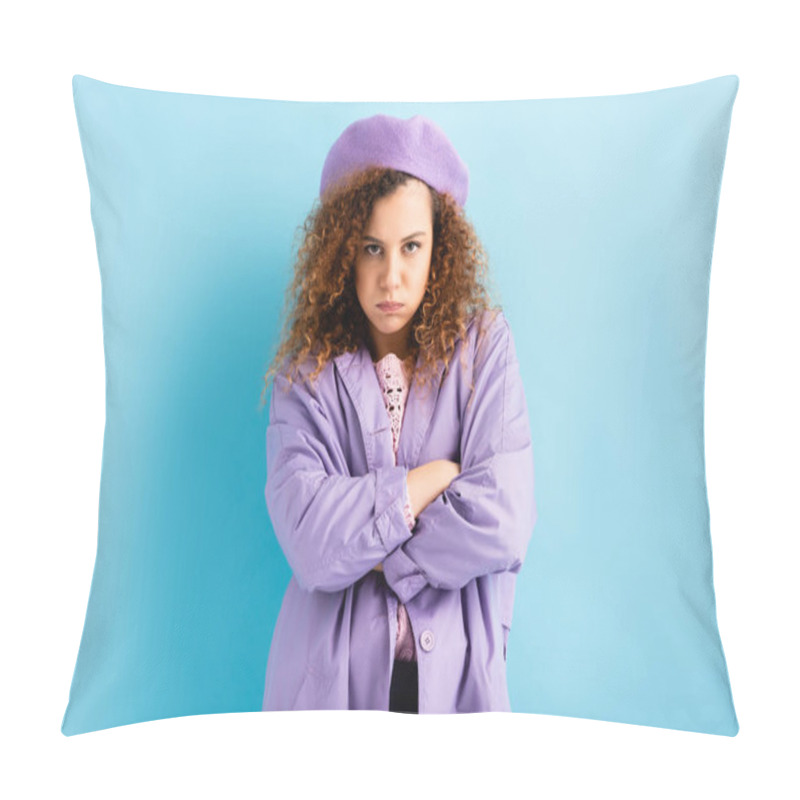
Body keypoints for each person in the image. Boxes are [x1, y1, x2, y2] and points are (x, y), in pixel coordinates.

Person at [259, 114, 537, 714]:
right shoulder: (302, 377)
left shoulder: (484, 348)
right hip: (329, 690)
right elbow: (308, 538)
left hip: (461, 681)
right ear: (342, 254)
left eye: (412, 246)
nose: (392, 276)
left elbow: (504, 518)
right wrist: (425, 484)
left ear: (441, 249)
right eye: (371, 249)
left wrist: (369, 543)